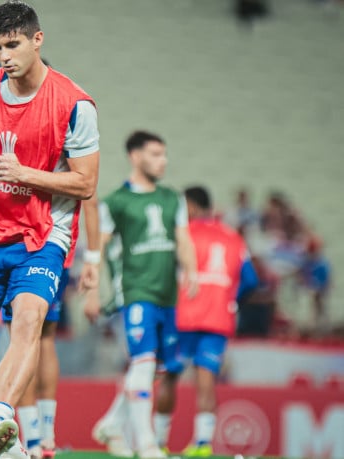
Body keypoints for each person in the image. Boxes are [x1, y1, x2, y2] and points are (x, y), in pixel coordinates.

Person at [0, 3, 100, 458]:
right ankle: (10, 449)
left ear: (37, 40)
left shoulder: (74, 104)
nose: (4, 56)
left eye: (13, 45)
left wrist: (26, 173)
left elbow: (86, 183)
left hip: (43, 235)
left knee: (28, 320)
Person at [92, 131, 197, 459]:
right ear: (134, 156)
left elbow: (183, 238)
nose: (162, 160)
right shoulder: (115, 202)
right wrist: (92, 292)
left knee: (152, 368)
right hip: (135, 290)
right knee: (144, 361)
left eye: (163, 154)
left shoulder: (172, 198)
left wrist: (191, 269)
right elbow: (100, 245)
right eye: (154, 154)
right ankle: (147, 443)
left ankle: (111, 423)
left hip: (167, 293)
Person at [153, 186, 258, 457]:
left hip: (182, 314)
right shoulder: (233, 237)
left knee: (169, 376)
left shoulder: (183, 233)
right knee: (206, 377)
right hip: (218, 317)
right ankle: (202, 444)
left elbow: (164, 274)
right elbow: (251, 280)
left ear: (192, 206)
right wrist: (229, 298)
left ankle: (158, 442)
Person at [3, 194, 102, 459]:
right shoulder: (76, 161)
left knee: (22, 339)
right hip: (60, 251)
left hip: (25, 247)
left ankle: (32, 440)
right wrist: (93, 258)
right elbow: (91, 201)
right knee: (44, 339)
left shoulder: (35, 157)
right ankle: (47, 437)